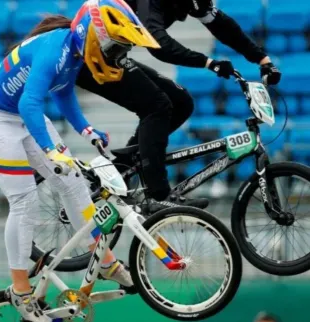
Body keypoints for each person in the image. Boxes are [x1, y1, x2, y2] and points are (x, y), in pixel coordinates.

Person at [0, 0, 159, 322]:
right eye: (115, 46)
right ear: (95, 36)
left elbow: (63, 94)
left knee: (73, 182)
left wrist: (86, 130)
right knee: (24, 200)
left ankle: (107, 261)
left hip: (21, 117)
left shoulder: (72, 50)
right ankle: (20, 288)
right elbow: (29, 102)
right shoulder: (56, 49)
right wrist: (51, 150)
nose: (117, 55)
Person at [76, 0, 282, 211]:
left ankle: (122, 168)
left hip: (111, 55)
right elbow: (159, 44)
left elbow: (224, 27)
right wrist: (208, 62)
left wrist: (262, 60)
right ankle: (159, 194)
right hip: (90, 59)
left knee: (181, 102)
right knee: (158, 105)